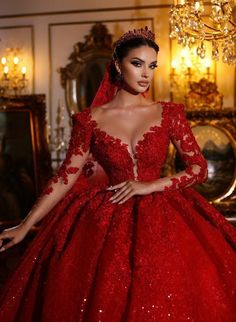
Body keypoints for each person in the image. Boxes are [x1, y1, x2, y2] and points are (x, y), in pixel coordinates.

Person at [0, 27, 235, 322]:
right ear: (117, 65)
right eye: (137, 63)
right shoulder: (89, 120)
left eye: (152, 65)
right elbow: (65, 177)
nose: (146, 73)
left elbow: (199, 169)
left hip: (165, 215)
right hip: (106, 218)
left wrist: (151, 185)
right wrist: (25, 225)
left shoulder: (169, 113)